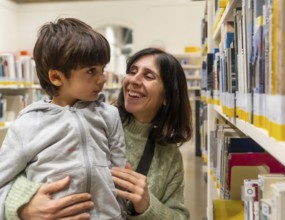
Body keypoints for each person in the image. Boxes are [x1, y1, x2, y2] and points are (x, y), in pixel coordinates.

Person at [5, 47, 193, 219]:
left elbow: (180, 216)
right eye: (133, 71)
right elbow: (10, 176)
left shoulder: (169, 156)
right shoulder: (93, 123)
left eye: (149, 76)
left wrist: (147, 206)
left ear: (168, 96)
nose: (134, 80)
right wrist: (23, 206)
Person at [0, 18, 127, 220]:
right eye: (91, 71)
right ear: (57, 77)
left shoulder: (109, 115)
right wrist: (21, 210)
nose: (102, 78)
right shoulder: (28, 124)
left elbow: (119, 171)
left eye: (102, 69)